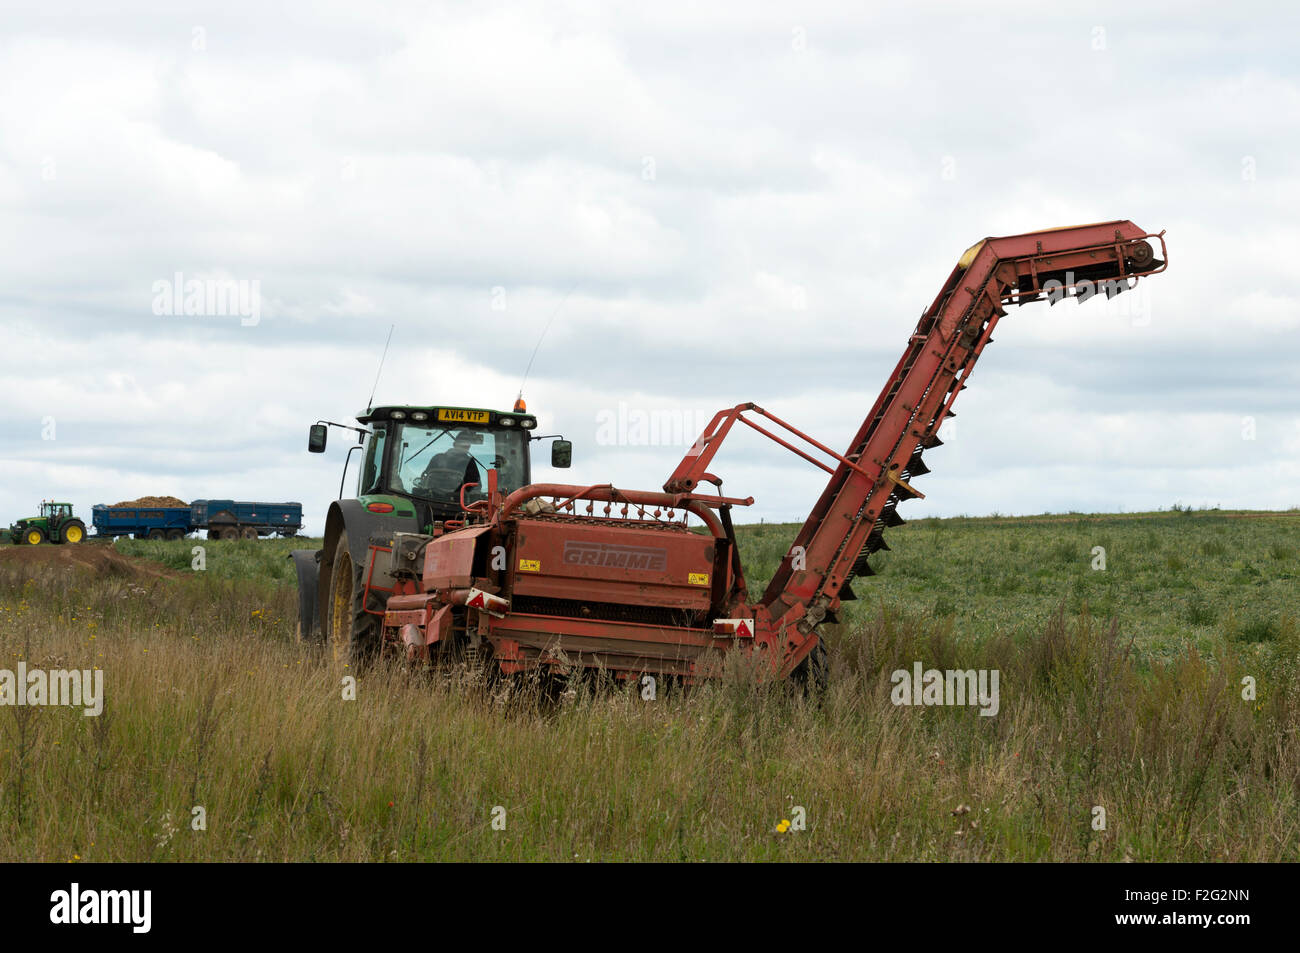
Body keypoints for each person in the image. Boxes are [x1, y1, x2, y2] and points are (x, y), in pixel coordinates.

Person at [416, 432, 481, 501]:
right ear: (454, 444)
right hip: (433, 499)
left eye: (466, 445)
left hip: (461, 503)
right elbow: (425, 481)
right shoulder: (437, 458)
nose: (464, 447)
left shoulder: (470, 463)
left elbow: (476, 487)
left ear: (469, 447)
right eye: (461, 444)